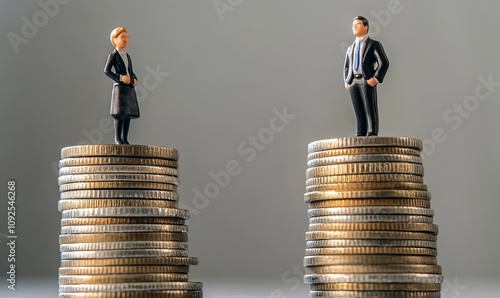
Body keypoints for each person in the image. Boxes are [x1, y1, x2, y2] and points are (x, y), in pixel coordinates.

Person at [344, 16, 389, 136]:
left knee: (369, 107)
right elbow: (346, 66)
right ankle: (360, 131)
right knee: (357, 108)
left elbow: (383, 63)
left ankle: (371, 131)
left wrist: (375, 78)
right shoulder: (350, 49)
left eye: (358, 24)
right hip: (353, 81)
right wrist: (346, 81)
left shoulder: (373, 45)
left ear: (366, 27)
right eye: (353, 25)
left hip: (366, 80)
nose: (354, 27)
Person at [104, 27, 139, 144]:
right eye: (123, 37)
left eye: (127, 37)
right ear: (115, 39)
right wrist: (119, 78)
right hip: (120, 88)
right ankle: (118, 138)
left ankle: (125, 138)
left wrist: (134, 79)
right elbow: (107, 71)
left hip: (129, 88)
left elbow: (130, 71)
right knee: (119, 114)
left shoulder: (127, 56)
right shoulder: (113, 56)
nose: (126, 40)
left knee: (128, 113)